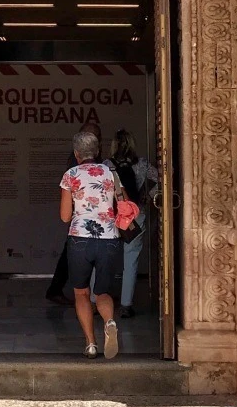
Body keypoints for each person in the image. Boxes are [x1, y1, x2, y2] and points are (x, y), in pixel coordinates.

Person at [59, 128, 121, 359]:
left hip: (80, 239)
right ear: (97, 151)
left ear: (77, 153)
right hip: (109, 238)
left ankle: (91, 343)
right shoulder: (110, 172)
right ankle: (110, 321)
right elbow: (121, 202)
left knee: (81, 293)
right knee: (103, 291)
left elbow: (65, 216)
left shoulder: (71, 175)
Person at [45, 118, 101, 306]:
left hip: (89, 220)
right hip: (81, 218)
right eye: (91, 134)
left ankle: (87, 294)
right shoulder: (76, 162)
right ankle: (66, 290)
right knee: (72, 254)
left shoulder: (90, 161)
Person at [110, 128, 158, 319]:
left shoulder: (107, 166)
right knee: (130, 260)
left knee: (102, 259)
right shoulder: (143, 165)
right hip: (135, 214)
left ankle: (96, 301)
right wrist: (148, 196)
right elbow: (159, 180)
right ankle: (126, 304)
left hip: (112, 215)